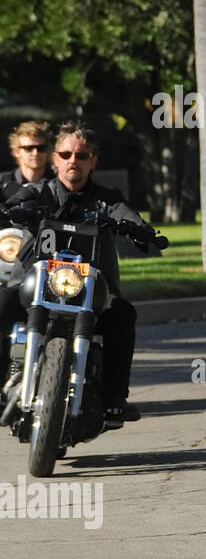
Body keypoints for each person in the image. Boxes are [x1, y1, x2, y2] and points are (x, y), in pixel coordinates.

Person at [5, 122, 158, 423]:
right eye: (65, 154)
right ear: (55, 159)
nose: (73, 160)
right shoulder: (39, 192)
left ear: (93, 160)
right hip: (35, 284)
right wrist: (16, 209)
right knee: (1, 305)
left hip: (91, 290)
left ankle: (115, 398)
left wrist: (141, 230)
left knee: (122, 314)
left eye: (82, 154)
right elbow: (17, 201)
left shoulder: (107, 199)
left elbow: (127, 215)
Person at [3, 121, 54, 195]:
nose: (35, 153)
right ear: (16, 152)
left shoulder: (59, 184)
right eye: (28, 148)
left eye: (41, 148)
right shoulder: (2, 183)